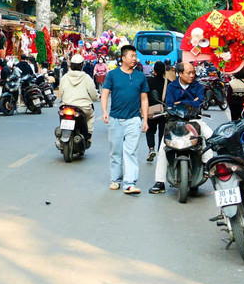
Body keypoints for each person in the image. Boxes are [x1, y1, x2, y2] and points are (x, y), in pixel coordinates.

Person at [150, 62, 209, 195]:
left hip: (194, 120)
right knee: (163, 147)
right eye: (189, 73)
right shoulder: (172, 87)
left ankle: (207, 168)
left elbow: (199, 102)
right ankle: (160, 181)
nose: (192, 75)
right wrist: (190, 102)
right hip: (175, 121)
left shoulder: (198, 86)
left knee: (209, 138)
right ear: (180, 74)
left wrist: (181, 103)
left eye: (193, 72)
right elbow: (170, 104)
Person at [100, 44, 149, 194]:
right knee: (116, 152)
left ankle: (129, 183)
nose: (135, 59)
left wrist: (145, 119)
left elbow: (144, 99)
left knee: (131, 151)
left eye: (135, 56)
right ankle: (115, 180)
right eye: (132, 56)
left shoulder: (140, 76)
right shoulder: (113, 75)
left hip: (134, 119)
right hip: (115, 119)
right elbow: (105, 93)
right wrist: (104, 111)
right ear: (123, 58)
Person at [57, 53, 99, 142]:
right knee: (91, 116)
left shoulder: (65, 77)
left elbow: (60, 93)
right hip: (83, 108)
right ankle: (88, 136)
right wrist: (96, 97)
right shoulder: (86, 78)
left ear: (71, 65)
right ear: (81, 65)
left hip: (66, 106)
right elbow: (94, 96)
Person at [145, 60, 169, 162]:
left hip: (151, 111)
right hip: (164, 111)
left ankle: (151, 149)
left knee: (150, 131)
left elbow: (144, 96)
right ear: (164, 71)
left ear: (154, 71)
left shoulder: (148, 82)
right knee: (162, 132)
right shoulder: (168, 83)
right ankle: (161, 151)